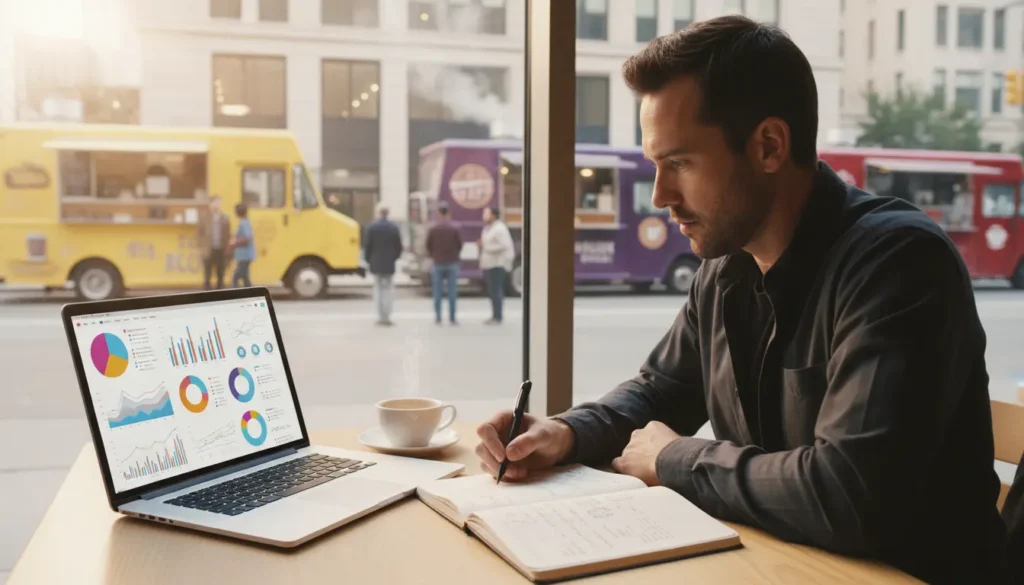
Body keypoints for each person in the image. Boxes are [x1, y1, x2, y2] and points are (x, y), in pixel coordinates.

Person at [474, 16, 1009, 585]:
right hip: (776, 564)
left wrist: (672, 459)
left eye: (678, 163)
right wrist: (566, 433)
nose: (660, 196)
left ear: (769, 146)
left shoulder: (898, 263)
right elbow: (662, 391)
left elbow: (853, 495)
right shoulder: (727, 263)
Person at [364, 203, 404, 326]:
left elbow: (367, 246)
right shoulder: (393, 228)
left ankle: (380, 315)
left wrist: (368, 259)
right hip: (389, 263)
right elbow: (399, 247)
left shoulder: (372, 227)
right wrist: (394, 257)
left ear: (378, 213)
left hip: (376, 263)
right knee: (388, 290)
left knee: (378, 289)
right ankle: (387, 315)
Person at [425, 202, 462, 325]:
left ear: (438, 213)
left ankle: (438, 317)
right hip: (452, 262)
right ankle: (452, 317)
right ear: (449, 212)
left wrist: (433, 255)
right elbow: (460, 245)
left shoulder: (433, 228)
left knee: (437, 292)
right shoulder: (455, 228)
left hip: (438, 262)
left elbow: (428, 245)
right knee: (452, 291)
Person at [478, 207, 515, 324]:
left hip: (497, 264)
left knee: (496, 290)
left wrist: (486, 247)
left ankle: (498, 316)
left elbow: (504, 245)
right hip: (489, 263)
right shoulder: (488, 228)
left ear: (494, 215)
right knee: (492, 290)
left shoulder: (500, 229)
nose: (484, 217)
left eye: (487, 214)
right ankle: (494, 314)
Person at [196, 195, 230, 290]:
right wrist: (201, 247)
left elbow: (228, 234)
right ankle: (207, 291)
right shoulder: (204, 217)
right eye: (215, 202)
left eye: (219, 203)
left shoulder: (224, 218)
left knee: (220, 272)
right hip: (208, 248)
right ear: (210, 204)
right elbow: (199, 233)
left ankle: (220, 290)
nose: (217, 205)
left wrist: (227, 249)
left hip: (221, 249)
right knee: (207, 272)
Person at [230, 202, 255, 288]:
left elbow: (248, 238)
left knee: (236, 276)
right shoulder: (245, 221)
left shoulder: (243, 223)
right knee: (245, 277)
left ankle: (236, 293)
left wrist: (235, 242)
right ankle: (250, 293)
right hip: (244, 255)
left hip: (244, 255)